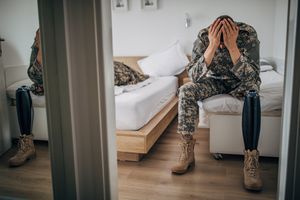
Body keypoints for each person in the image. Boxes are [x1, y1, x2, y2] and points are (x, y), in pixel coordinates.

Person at [171, 15, 263, 191]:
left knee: (253, 92)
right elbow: (194, 76)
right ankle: (187, 151)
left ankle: (251, 160)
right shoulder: (204, 37)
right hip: (215, 82)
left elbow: (252, 76)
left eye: (223, 43)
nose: (222, 47)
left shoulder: (249, 34)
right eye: (219, 43)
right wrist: (212, 45)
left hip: (240, 82)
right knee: (186, 90)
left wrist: (232, 46)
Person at [9, 29, 43, 167]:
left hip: (63, 83)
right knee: (21, 91)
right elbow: (33, 75)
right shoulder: (37, 44)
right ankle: (27, 145)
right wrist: (40, 47)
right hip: (43, 84)